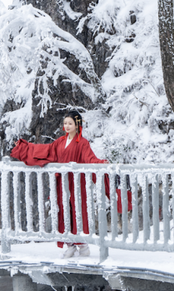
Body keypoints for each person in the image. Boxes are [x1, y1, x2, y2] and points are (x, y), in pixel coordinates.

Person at [10, 111, 107, 258]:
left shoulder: (83, 143)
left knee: (76, 211)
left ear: (77, 125)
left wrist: (101, 163)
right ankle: (70, 244)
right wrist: (25, 148)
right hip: (62, 183)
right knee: (62, 212)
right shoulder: (60, 142)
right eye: (65, 123)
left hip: (76, 184)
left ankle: (82, 244)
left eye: (70, 123)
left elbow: (90, 159)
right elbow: (44, 151)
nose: (67, 126)